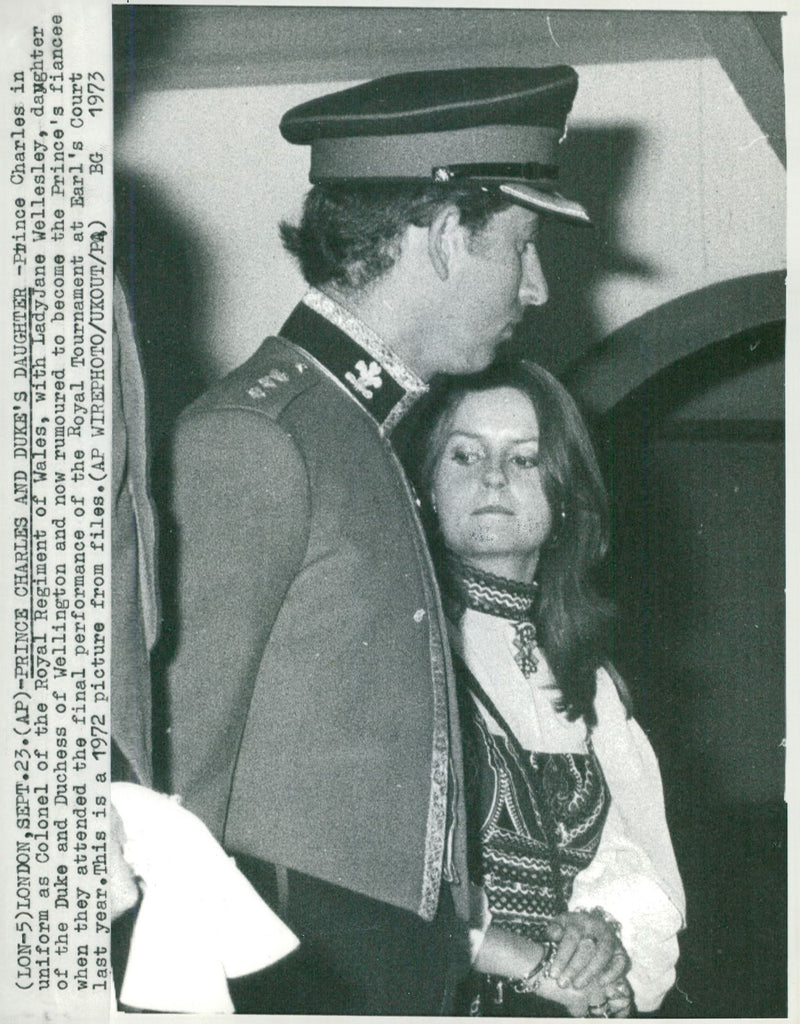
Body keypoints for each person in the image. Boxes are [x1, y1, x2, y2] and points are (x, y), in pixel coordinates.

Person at [162, 66, 601, 1015]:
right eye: (522, 246)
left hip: (384, 970)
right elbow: (174, 785)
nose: (537, 284)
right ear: (444, 237)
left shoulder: (362, 434)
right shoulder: (259, 437)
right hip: (293, 977)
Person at [399, 359, 686, 1016]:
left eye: (524, 460)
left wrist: (603, 939)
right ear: (427, 486)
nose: (493, 477)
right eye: (465, 455)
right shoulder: (400, 652)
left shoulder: (594, 681)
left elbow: (632, 863)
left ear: (563, 498)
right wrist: (530, 962)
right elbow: (378, 886)